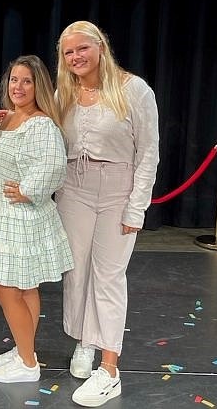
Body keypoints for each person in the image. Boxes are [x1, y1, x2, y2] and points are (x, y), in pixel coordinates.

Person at [54, 21, 159, 407]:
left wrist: (137, 207)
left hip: (117, 187)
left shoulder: (134, 90)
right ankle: (85, 341)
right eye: (68, 52)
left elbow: (149, 152)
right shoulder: (63, 91)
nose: (76, 57)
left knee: (109, 275)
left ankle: (110, 367)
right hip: (73, 187)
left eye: (83, 48)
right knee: (77, 269)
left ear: (101, 47)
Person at [0, 55, 74, 383]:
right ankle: (23, 349)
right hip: (2, 215)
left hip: (20, 218)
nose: (18, 86)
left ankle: (28, 363)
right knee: (26, 288)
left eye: (26, 81)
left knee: (7, 288)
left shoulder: (41, 123)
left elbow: (55, 165)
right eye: (14, 80)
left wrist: (28, 189)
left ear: (38, 86)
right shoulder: (10, 118)